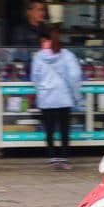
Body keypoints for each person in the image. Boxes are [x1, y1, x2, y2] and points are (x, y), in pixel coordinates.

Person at [30, 29, 82, 170]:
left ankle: (53, 158)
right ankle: (65, 159)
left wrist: (41, 90)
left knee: (49, 130)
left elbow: (34, 78)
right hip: (64, 97)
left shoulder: (38, 56)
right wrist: (76, 96)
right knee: (64, 130)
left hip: (46, 99)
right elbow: (75, 76)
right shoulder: (67, 55)